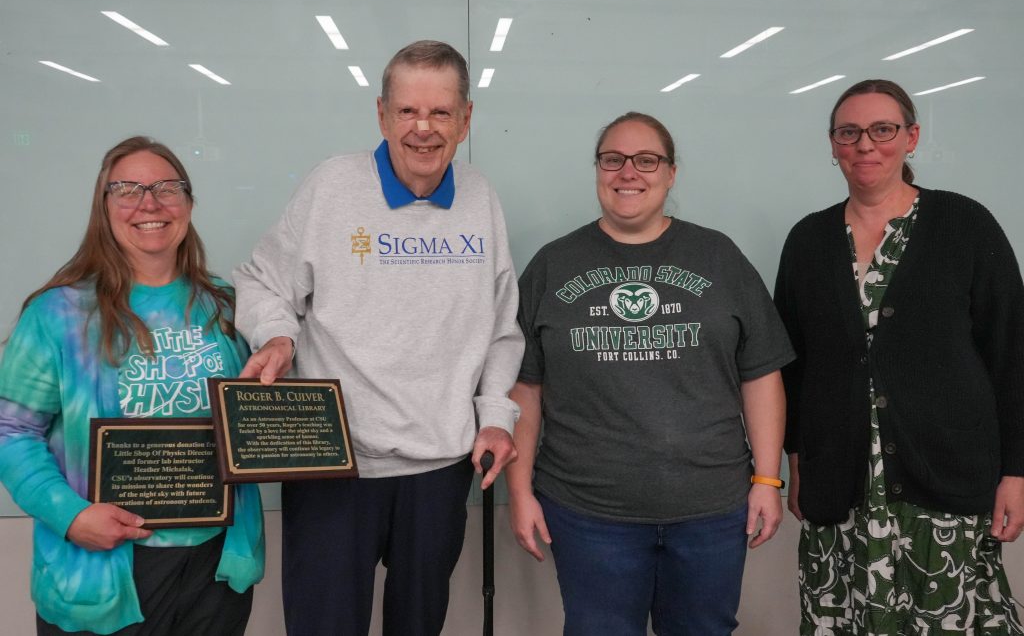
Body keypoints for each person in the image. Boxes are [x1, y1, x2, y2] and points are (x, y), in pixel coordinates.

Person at [233, 39, 523, 636]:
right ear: (382, 114)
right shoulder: (332, 187)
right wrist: (279, 336)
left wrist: (496, 417)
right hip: (334, 468)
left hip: (440, 466)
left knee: (418, 626)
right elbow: (262, 281)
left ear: (466, 119)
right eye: (407, 111)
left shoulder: (480, 198)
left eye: (441, 112)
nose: (423, 129)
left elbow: (501, 330)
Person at [505, 112, 794, 636]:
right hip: (588, 512)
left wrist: (768, 480)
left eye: (646, 160)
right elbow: (526, 387)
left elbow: (761, 375)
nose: (628, 173)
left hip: (710, 508)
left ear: (671, 173)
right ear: (598, 169)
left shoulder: (718, 257)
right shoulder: (554, 265)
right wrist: (520, 492)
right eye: (612, 159)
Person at [775, 78, 1024, 634]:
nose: (866, 145)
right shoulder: (808, 240)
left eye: (882, 129)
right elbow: (793, 365)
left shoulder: (965, 225)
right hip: (842, 478)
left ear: (911, 137)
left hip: (944, 476)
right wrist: (794, 458)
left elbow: (1011, 354)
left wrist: (1016, 471)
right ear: (833, 144)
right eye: (849, 132)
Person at [0, 136, 265, 635]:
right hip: (102, 569)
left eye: (167, 188)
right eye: (128, 189)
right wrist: (73, 516)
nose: (150, 203)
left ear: (188, 203)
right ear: (104, 206)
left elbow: (256, 419)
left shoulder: (229, 307)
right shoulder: (58, 313)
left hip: (215, 566)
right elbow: (10, 431)